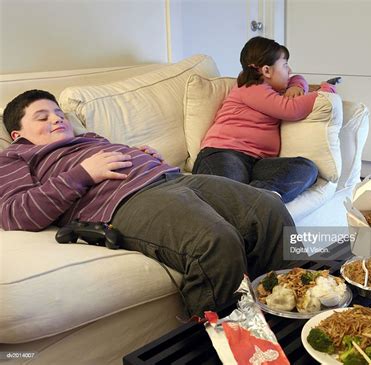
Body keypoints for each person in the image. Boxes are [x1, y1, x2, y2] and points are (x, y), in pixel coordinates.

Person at [0, 89, 297, 317]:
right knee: (215, 242)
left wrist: (142, 156)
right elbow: (15, 213)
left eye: (58, 113)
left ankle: (290, 316)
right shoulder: (15, 156)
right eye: (42, 117)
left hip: (174, 178)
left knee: (268, 210)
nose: (56, 119)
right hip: (125, 201)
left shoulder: (87, 139)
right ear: (17, 135)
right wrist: (83, 173)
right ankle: (232, 346)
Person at [192, 36, 336, 203]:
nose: (289, 70)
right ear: (266, 71)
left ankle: (261, 197)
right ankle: (251, 205)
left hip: (258, 163)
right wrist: (324, 94)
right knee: (229, 192)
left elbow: (296, 78)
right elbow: (291, 109)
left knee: (307, 169)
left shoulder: (272, 90)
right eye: (285, 65)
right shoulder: (250, 88)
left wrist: (297, 85)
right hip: (224, 153)